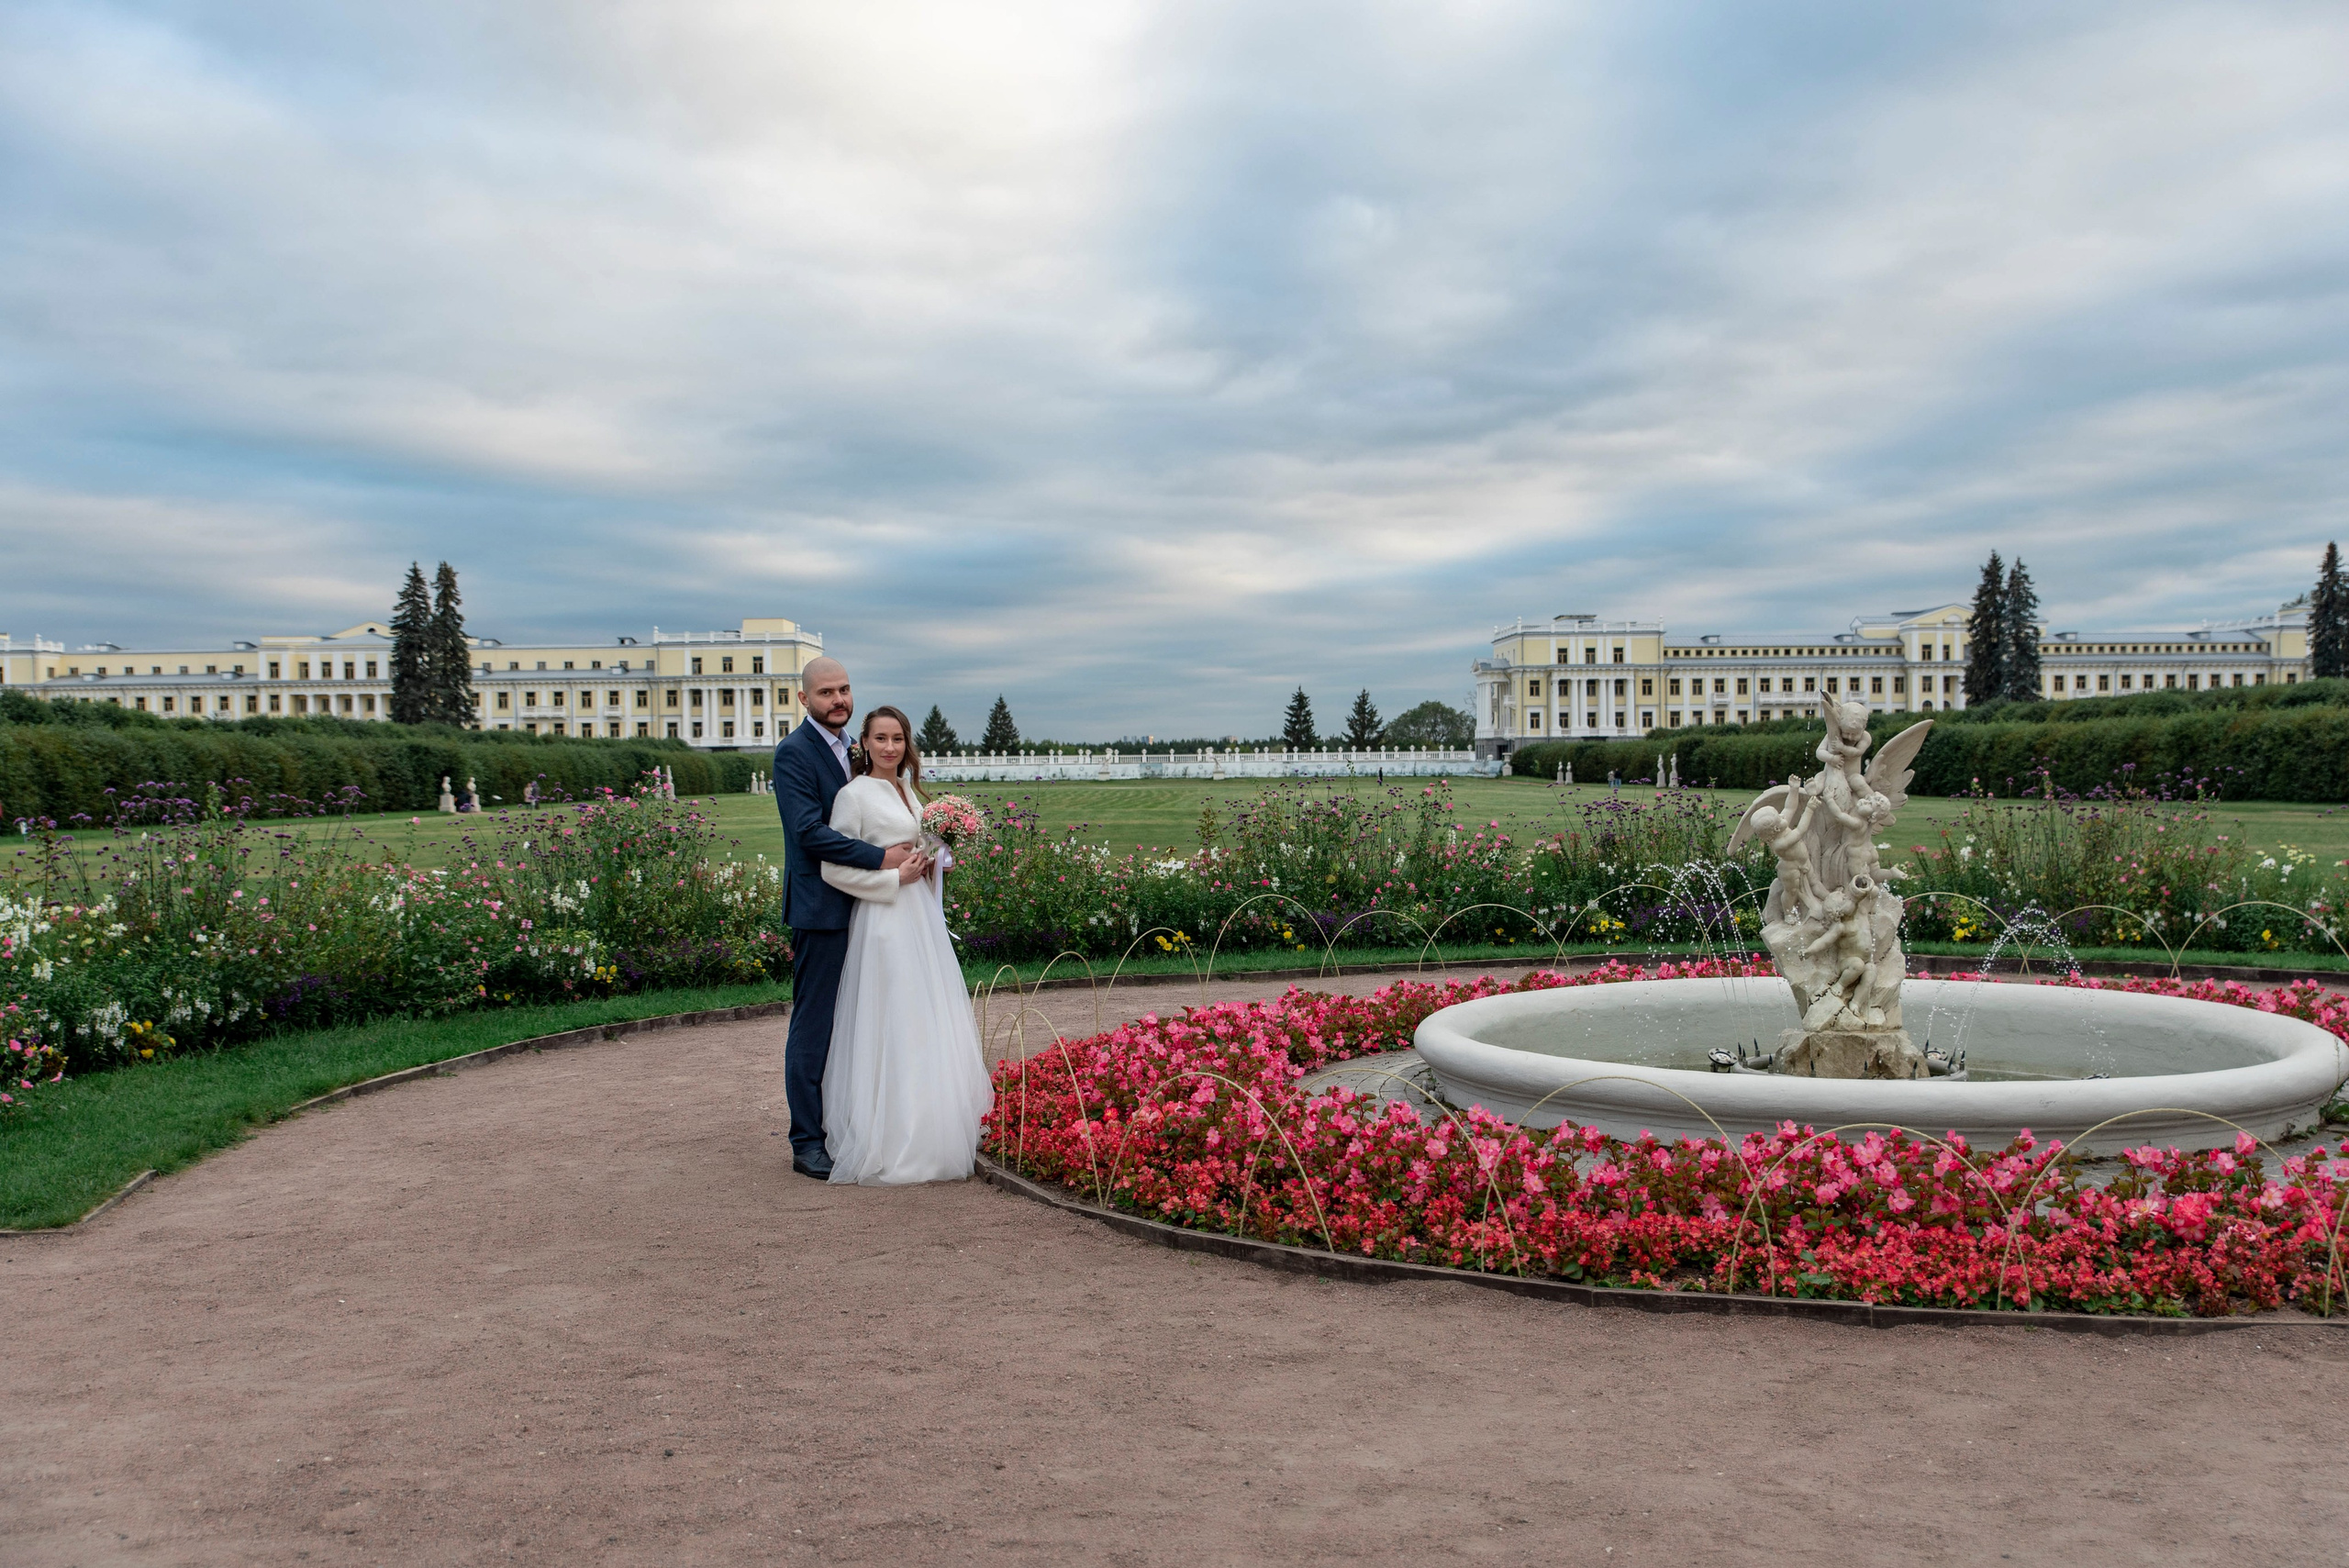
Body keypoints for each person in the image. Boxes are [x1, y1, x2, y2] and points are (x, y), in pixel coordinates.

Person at [817, 706, 994, 1184]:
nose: (890, 747)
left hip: (920, 919)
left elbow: (920, 845)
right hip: (885, 919)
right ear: (865, 744)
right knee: (893, 1015)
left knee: (923, 1015)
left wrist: (937, 861)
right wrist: (893, 877)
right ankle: (892, 1136)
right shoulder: (853, 796)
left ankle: (931, 1122)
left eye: (897, 739)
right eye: (880, 739)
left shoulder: (911, 792)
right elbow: (832, 868)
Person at [774, 658, 926, 1179]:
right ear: (804, 699)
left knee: (866, 1024)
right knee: (815, 1027)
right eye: (826, 693)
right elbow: (808, 832)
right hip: (823, 910)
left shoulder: (854, 753)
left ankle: (851, 1125)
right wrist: (882, 860)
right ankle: (807, 1141)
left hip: (874, 913)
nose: (838, 699)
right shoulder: (794, 753)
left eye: (843, 690)